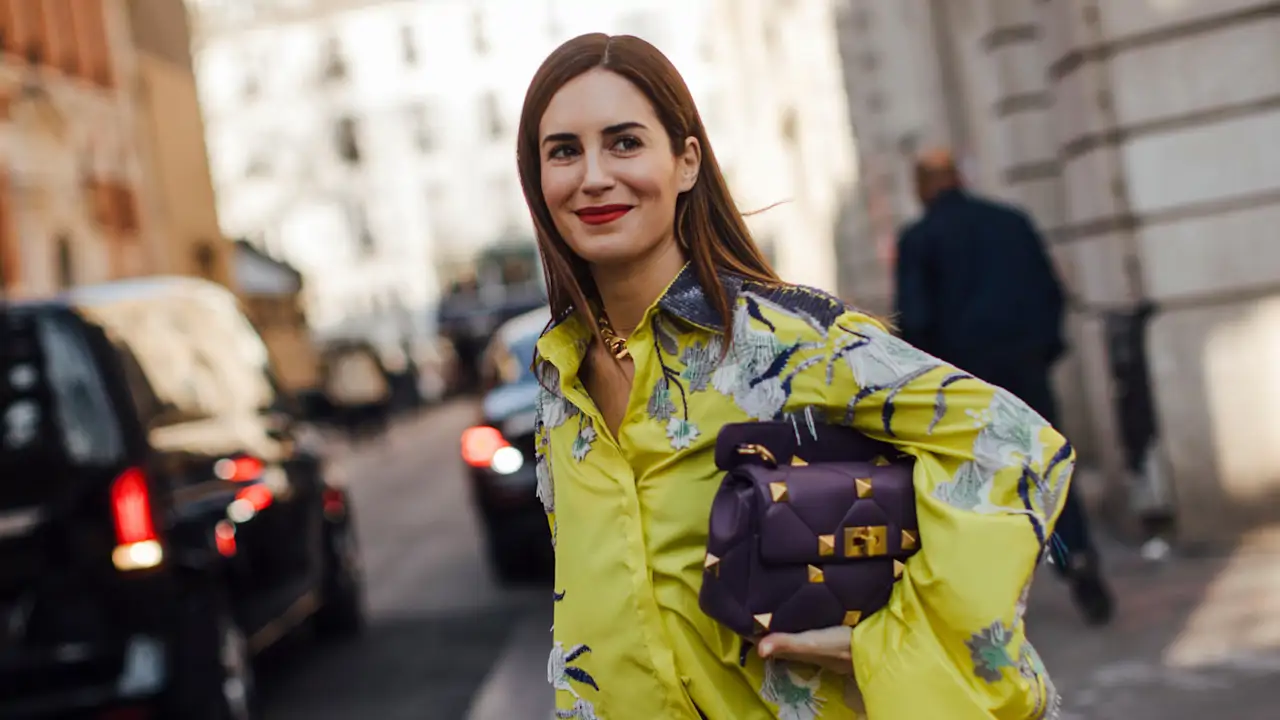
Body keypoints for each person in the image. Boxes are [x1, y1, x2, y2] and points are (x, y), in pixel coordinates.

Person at [522, 33, 1074, 719]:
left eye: (625, 142)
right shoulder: (559, 376)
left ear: (686, 161)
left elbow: (1009, 443)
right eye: (564, 151)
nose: (594, 175)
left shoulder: (780, 340)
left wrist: (889, 640)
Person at [894, 148, 1114, 626]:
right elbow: (1050, 291)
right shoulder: (1010, 221)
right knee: (1046, 465)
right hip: (1025, 368)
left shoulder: (920, 239)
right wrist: (1040, 352)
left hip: (966, 385)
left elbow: (917, 319)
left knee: (981, 484)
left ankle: (999, 591)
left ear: (922, 187)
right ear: (959, 177)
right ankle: (1075, 553)